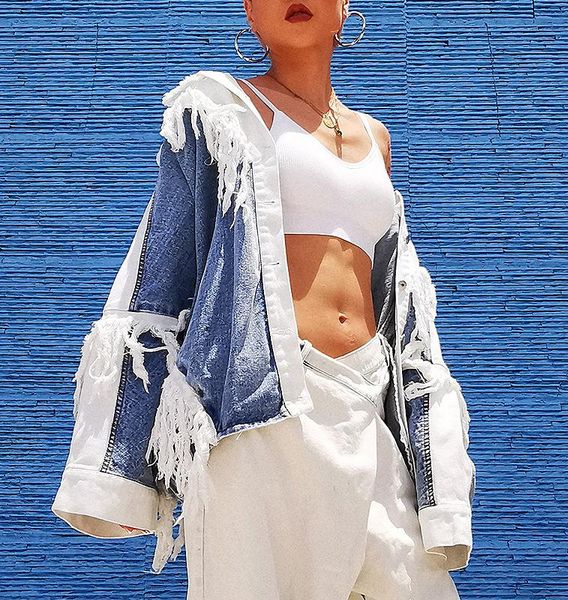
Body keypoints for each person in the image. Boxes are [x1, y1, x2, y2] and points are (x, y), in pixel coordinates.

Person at [51, 1, 476, 598]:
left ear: (344, 8)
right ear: (251, 13)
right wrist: (125, 470)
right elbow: (160, 274)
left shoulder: (375, 138)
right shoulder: (219, 110)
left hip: (366, 398)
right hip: (261, 404)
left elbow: (400, 303)